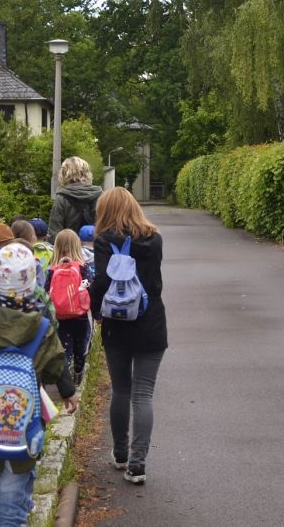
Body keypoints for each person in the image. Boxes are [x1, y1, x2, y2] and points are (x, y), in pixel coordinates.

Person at [0, 243, 79, 527]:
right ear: (31, 283)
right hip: (24, 431)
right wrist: (68, 392)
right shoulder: (40, 328)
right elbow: (56, 365)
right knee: (13, 498)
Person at [90, 187, 166, 485]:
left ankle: (120, 454)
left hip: (118, 325)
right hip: (152, 324)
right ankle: (138, 464)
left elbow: (102, 283)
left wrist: (95, 311)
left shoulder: (104, 241)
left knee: (121, 390)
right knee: (143, 394)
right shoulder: (155, 240)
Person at [48, 229, 93, 383]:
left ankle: (64, 380)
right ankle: (78, 376)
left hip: (60, 316)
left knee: (64, 347)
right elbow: (90, 288)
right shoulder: (83, 267)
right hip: (80, 316)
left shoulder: (52, 269)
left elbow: (47, 290)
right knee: (80, 347)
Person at [46, 156, 101, 243]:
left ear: (64, 174)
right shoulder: (101, 196)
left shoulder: (62, 198)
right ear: (87, 173)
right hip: (97, 251)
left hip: (70, 253)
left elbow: (54, 235)